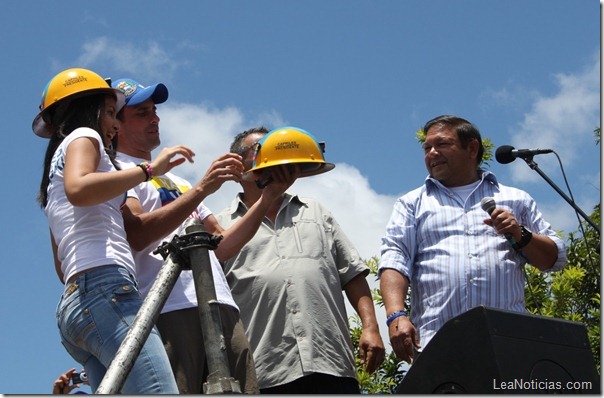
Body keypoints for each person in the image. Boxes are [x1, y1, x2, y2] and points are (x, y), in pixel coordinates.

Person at [112, 78, 295, 394]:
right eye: (142, 113)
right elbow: (137, 233)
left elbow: (221, 246)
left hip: (221, 306)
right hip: (168, 311)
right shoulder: (116, 171)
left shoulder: (176, 181)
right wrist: (202, 189)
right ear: (113, 124)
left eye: (154, 111)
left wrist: (268, 198)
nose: (155, 119)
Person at [35, 68, 189, 394]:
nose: (115, 123)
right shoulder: (84, 136)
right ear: (87, 111)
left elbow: (63, 268)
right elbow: (80, 188)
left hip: (73, 307)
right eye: (108, 113)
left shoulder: (50, 183)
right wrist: (148, 170)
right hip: (107, 292)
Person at [378, 115, 567, 363]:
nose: (432, 153)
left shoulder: (515, 198)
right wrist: (396, 316)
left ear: (472, 148)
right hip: (437, 345)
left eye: (442, 144)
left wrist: (521, 234)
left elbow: (554, 260)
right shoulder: (412, 203)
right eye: (427, 148)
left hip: (508, 345)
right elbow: (395, 259)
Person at [215, 126, 386, 394]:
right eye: (260, 150)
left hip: (330, 363)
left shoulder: (315, 212)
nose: (269, 158)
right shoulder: (221, 226)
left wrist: (370, 328)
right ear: (237, 166)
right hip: (265, 370)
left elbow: (352, 274)